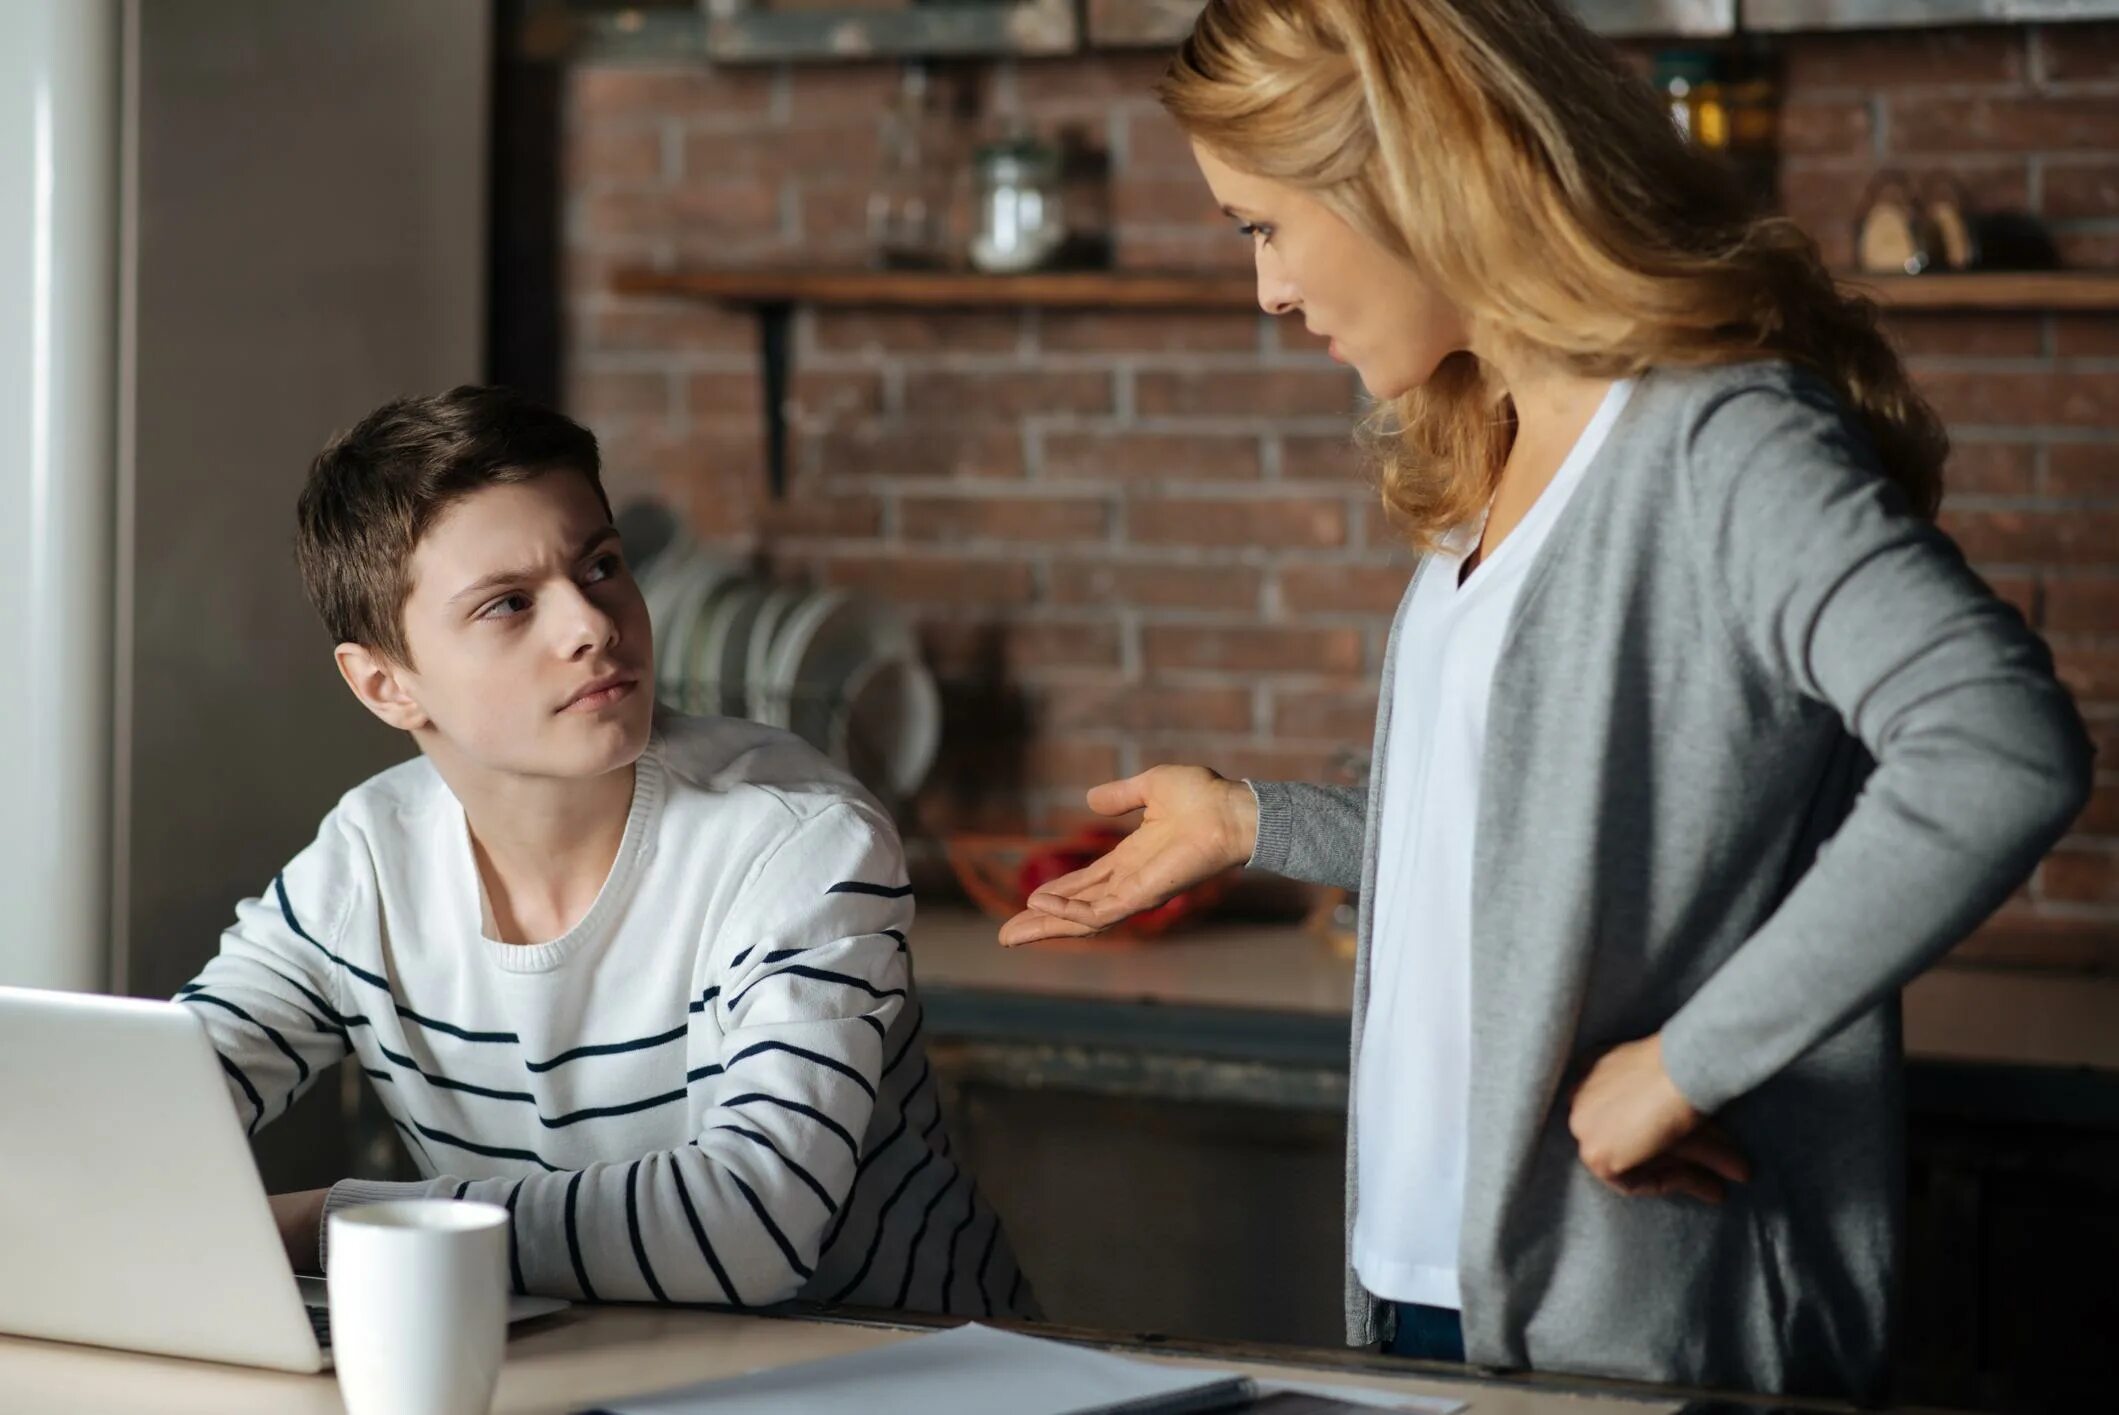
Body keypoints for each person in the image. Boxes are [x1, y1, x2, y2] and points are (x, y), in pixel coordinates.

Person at [1000, 0, 2091, 1399]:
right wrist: (1251, 822)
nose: (1264, 289)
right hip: (1421, 1291)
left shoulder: (1714, 439)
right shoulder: (1490, 449)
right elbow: (1524, 844)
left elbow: (1995, 749)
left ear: (1396, 172)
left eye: (1259, 225)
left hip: (1640, 1322)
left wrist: (1685, 1063)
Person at [178, 386, 1031, 1317]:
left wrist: (320, 1225)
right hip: (605, 1374)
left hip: (906, 1382)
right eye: (508, 604)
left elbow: (748, 1227)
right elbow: (158, 1096)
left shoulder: (794, 839)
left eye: (600, 566)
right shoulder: (366, 862)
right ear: (385, 684)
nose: (590, 625)